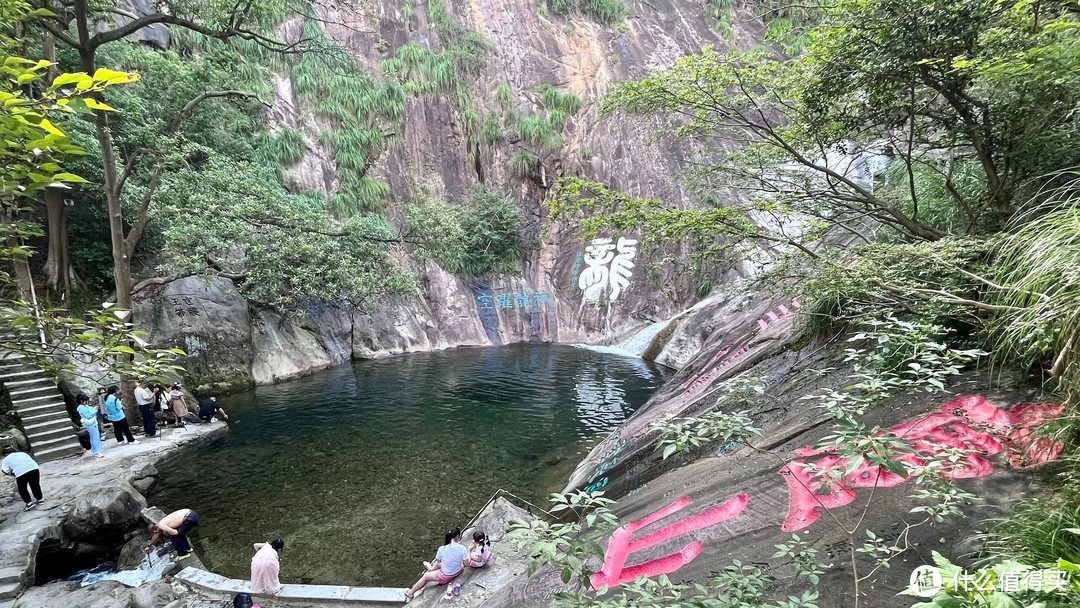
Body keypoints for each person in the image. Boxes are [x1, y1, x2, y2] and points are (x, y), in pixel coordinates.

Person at [405, 527, 468, 601]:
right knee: (439, 565)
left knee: (425, 576)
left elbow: (438, 561)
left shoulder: (442, 549)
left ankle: (410, 592)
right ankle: (431, 568)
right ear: (457, 537)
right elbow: (466, 564)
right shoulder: (462, 548)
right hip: (458, 570)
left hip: (446, 576)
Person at [77, 393, 104, 459]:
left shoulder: (85, 406)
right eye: (86, 400)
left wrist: (94, 409)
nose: (87, 402)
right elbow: (88, 415)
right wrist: (94, 410)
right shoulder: (81, 408)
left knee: (94, 437)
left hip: (92, 423)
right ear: (81, 401)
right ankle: (97, 452)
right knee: (95, 437)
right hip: (91, 424)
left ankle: (95, 450)